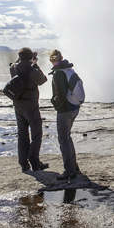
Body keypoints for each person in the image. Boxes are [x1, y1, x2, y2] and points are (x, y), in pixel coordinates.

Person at [9, 48, 49, 173]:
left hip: (18, 106)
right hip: (31, 107)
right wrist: (35, 64)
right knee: (36, 134)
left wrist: (26, 60)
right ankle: (34, 161)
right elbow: (43, 79)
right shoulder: (32, 71)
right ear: (31, 57)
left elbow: (15, 63)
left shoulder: (14, 68)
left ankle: (23, 163)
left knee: (22, 135)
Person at [49, 49, 81, 179]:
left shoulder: (58, 73)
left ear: (51, 60)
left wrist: (55, 103)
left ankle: (69, 170)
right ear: (62, 57)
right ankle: (74, 166)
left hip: (65, 110)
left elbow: (60, 96)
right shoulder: (69, 69)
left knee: (63, 139)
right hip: (74, 107)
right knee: (67, 137)